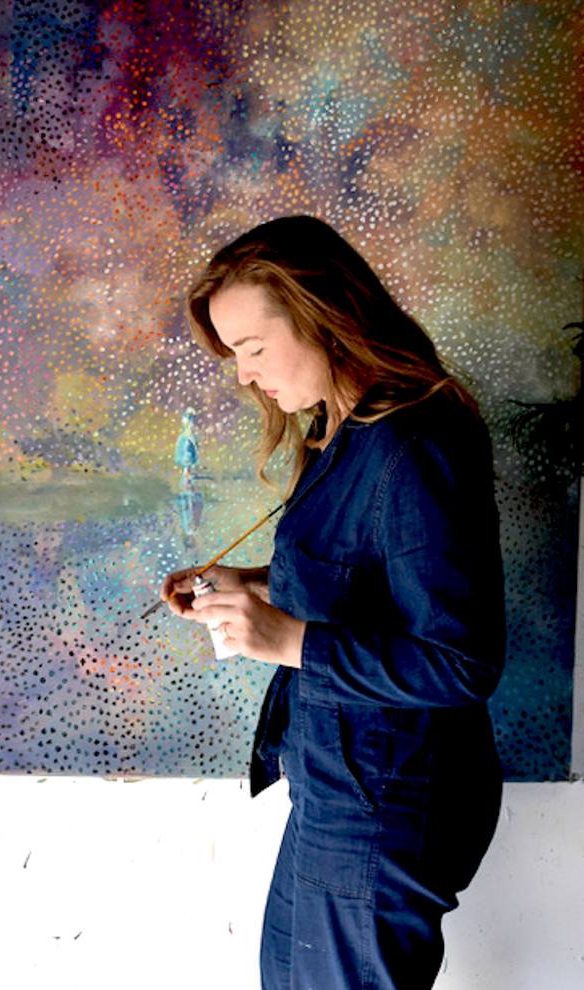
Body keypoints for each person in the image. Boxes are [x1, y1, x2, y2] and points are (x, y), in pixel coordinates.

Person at [160, 215, 505, 990]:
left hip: (384, 804)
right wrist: (251, 585)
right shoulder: (343, 431)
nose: (243, 375)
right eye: (234, 354)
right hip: (336, 788)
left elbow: (464, 662)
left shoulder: (412, 443)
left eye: (253, 348)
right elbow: (362, 578)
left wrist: (286, 639)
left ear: (323, 314)